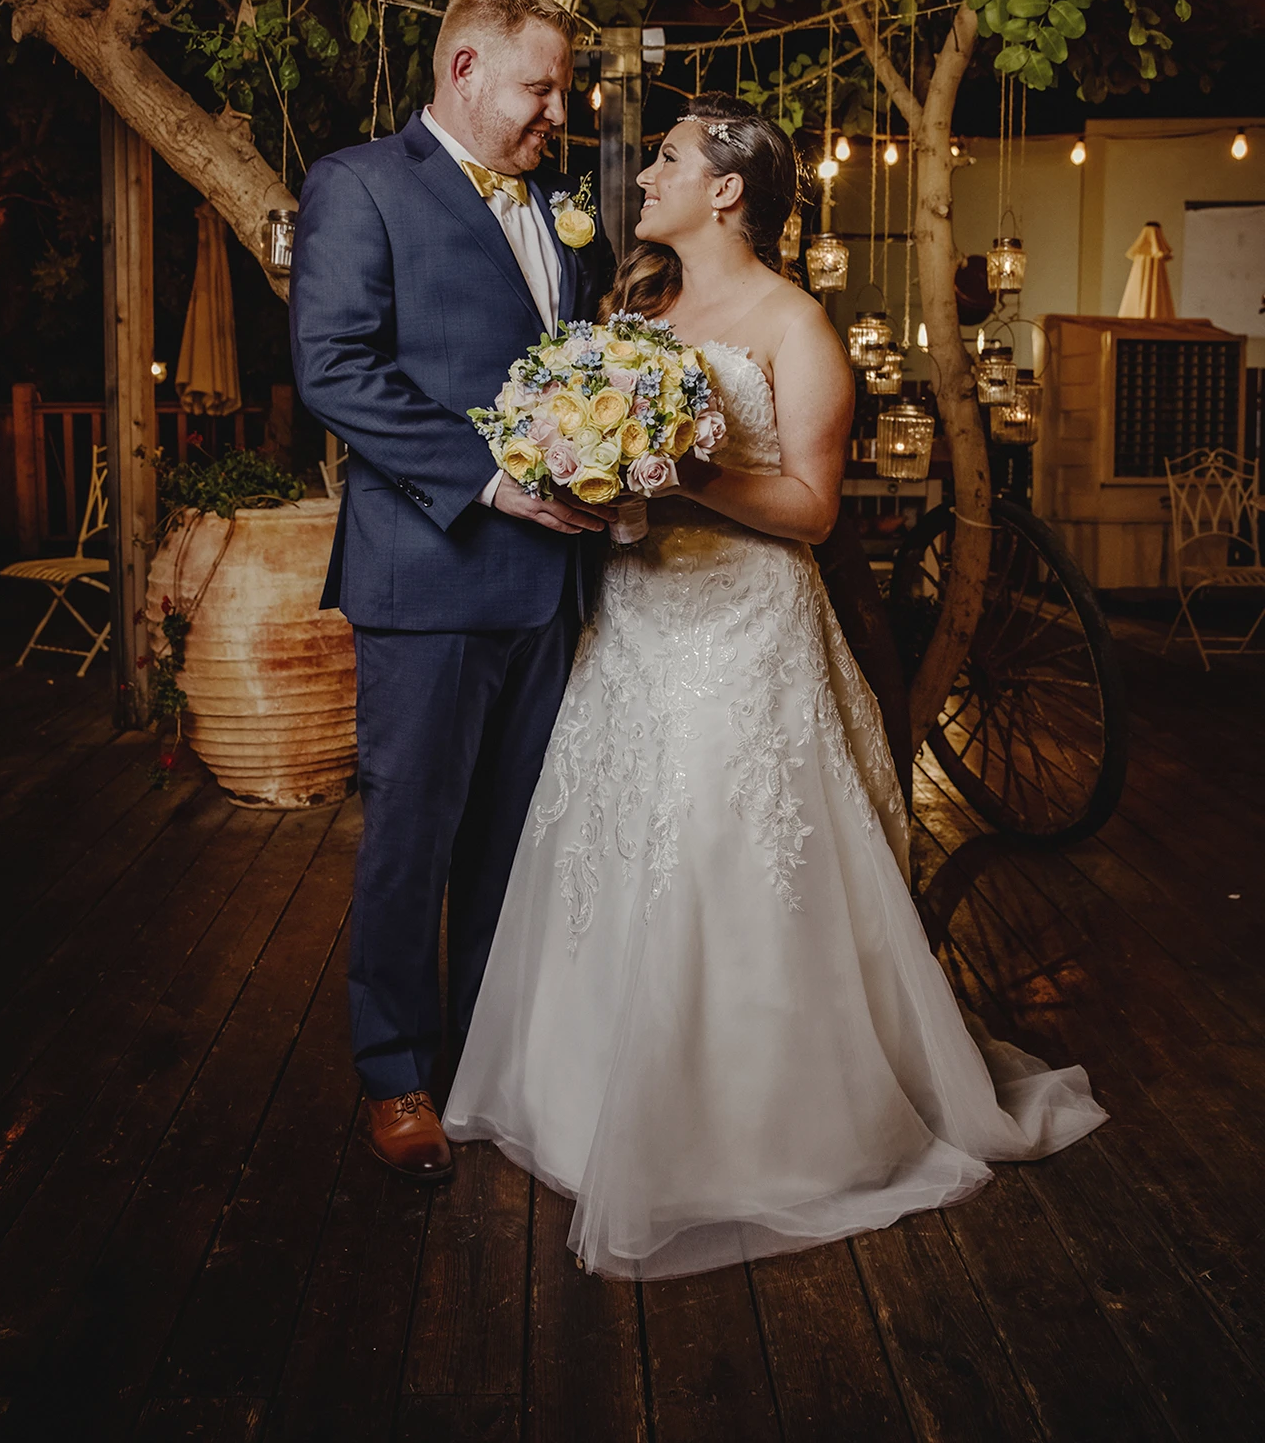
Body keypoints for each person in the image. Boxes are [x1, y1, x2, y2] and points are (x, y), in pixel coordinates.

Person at [443, 93, 1106, 1279]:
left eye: (667, 160)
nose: (644, 175)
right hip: (637, 621)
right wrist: (592, 477)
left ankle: (754, 1129)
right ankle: (586, 1100)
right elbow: (624, 469)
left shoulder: (795, 322)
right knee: (610, 847)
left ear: (728, 189)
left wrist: (683, 474)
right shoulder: (640, 307)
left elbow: (809, 509)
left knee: (721, 855)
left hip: (744, 630)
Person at [291, 0, 613, 1183]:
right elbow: (334, 368)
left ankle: (483, 1059)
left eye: (562, 93)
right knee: (411, 839)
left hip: (549, 584)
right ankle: (396, 1075)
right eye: (540, 88)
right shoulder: (361, 185)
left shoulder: (557, 206)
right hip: (428, 578)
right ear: (465, 69)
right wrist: (491, 481)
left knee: (508, 845)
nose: (555, 115)